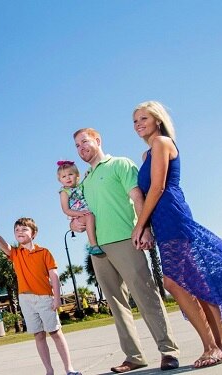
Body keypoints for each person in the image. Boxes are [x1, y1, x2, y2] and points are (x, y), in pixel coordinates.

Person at [130, 101, 222, 368]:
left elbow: (158, 188)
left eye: (144, 118)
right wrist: (147, 223)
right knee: (194, 281)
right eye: (135, 121)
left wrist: (140, 225)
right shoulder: (146, 155)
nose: (139, 124)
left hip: (172, 215)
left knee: (174, 282)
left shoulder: (162, 143)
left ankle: (212, 346)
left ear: (157, 120)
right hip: (162, 221)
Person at [71, 128, 179, 373]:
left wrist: (144, 229)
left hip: (126, 240)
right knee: (116, 304)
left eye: (84, 142)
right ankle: (134, 356)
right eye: (77, 146)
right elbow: (82, 213)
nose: (81, 148)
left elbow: (138, 197)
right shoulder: (85, 180)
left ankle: (168, 351)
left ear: (98, 140)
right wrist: (74, 223)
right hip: (98, 248)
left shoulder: (119, 164)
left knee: (146, 296)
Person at [0, 218, 82, 375]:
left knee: (55, 333)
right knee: (38, 335)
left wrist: (57, 298)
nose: (20, 232)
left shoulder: (44, 252)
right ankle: (49, 371)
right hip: (25, 299)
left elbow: (54, 276)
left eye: (24, 229)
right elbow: (4, 245)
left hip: (45, 298)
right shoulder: (16, 254)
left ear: (34, 233)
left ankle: (69, 369)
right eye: (17, 230)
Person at [57, 160, 103, 255]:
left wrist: (87, 175)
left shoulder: (80, 186)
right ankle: (93, 245)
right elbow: (66, 210)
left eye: (70, 174)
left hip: (85, 212)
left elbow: (85, 182)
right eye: (64, 176)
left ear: (77, 175)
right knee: (90, 217)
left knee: (91, 217)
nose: (68, 178)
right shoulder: (64, 192)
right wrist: (80, 213)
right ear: (60, 180)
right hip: (77, 215)